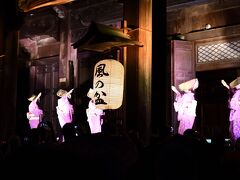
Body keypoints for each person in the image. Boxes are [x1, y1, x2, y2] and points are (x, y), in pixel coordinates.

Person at [222, 77, 240, 144]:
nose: (236, 85)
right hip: (235, 112)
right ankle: (235, 143)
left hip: (237, 112)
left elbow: (235, 103)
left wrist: (235, 103)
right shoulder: (237, 92)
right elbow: (231, 91)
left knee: (236, 129)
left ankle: (237, 144)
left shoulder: (238, 92)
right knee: (233, 129)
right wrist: (226, 86)